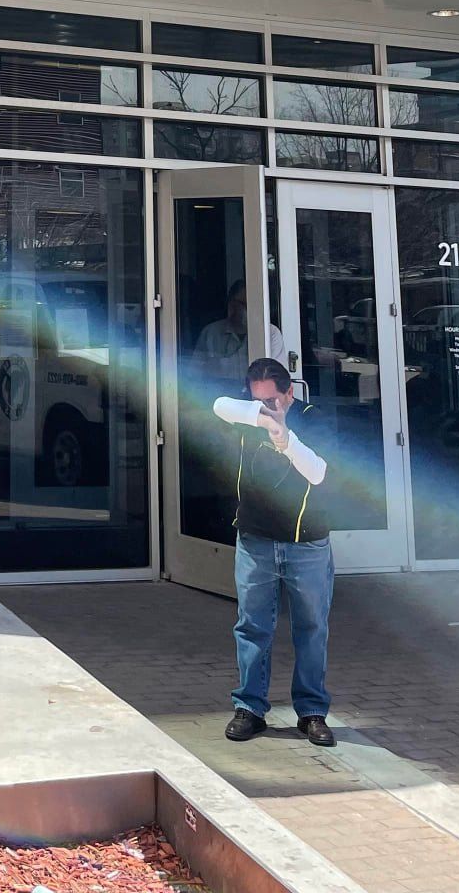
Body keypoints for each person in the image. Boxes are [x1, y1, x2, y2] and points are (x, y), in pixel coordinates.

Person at [213, 357, 335, 748]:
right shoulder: (251, 416)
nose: (268, 408)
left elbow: (317, 472)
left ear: (291, 393)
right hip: (256, 541)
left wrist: (285, 438)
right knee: (252, 627)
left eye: (274, 401)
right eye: (259, 400)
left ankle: (312, 712)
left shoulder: (315, 419)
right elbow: (217, 405)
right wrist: (261, 416)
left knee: (312, 629)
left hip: (307, 543)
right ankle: (250, 708)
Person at [195, 280, 286, 367]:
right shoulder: (210, 332)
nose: (248, 309)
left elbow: (277, 376)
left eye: (252, 303)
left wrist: (219, 364)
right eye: (243, 304)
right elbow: (194, 372)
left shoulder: (271, 333)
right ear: (231, 304)